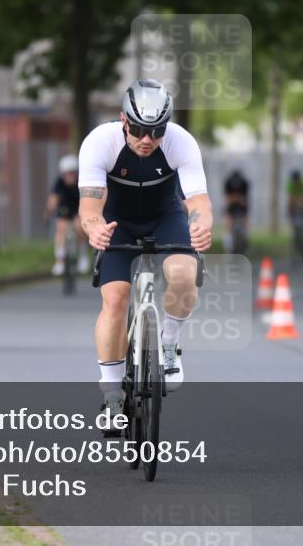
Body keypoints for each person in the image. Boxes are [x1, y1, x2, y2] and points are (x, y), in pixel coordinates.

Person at [78, 79, 212, 422]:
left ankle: (169, 344)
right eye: (138, 129)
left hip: (164, 216)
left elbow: (197, 200)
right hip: (116, 222)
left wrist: (201, 226)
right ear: (124, 120)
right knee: (116, 298)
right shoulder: (99, 142)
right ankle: (111, 396)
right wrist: (94, 230)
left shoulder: (181, 142)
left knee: (184, 274)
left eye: (157, 131)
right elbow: (90, 206)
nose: (147, 139)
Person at [45, 154, 90, 275]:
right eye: (67, 173)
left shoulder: (82, 182)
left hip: (78, 209)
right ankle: (59, 261)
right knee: (61, 228)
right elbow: (53, 199)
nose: (69, 176)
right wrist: (48, 213)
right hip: (64, 209)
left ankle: (83, 256)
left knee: (79, 227)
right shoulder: (59, 183)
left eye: (72, 173)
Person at [223, 169, 250, 253]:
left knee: (245, 221)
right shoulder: (228, 183)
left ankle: (245, 239)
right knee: (228, 223)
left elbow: (245, 201)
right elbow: (227, 200)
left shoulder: (244, 184)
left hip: (242, 207)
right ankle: (228, 245)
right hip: (231, 207)